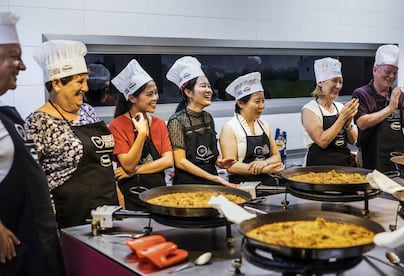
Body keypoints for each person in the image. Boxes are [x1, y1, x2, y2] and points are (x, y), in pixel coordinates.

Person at [25, 40, 118, 228]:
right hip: (70, 218)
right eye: (80, 81)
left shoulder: (88, 111)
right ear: (57, 83)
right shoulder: (38, 122)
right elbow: (30, 180)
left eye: (86, 80)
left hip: (108, 209)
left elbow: (104, 162)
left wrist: (119, 197)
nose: (86, 87)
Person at [0, 11, 65, 275]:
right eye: (15, 56)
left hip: (41, 244)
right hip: (13, 254)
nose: (23, 66)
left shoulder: (8, 115)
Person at [109, 59, 173, 210]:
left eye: (156, 93)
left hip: (159, 196)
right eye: (149, 94)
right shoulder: (117, 125)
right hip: (131, 199)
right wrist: (142, 133)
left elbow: (168, 161)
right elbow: (128, 164)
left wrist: (135, 171)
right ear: (132, 98)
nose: (155, 98)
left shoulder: (159, 124)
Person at [166, 56, 237, 187]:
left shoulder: (207, 118)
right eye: (203, 86)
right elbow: (180, 161)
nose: (209, 90)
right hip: (188, 187)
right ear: (188, 92)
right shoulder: (177, 121)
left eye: (209, 86)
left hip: (212, 183)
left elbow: (211, 153)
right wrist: (214, 178)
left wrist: (219, 161)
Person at [352, 45, 404, 172]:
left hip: (398, 157)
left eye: (394, 73)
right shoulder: (361, 94)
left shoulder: (398, 94)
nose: (391, 76)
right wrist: (390, 108)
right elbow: (362, 123)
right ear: (375, 70)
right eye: (387, 72)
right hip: (372, 157)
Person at [219, 72, 284, 185]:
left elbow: (277, 157)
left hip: (267, 184)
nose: (262, 106)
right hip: (242, 185)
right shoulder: (229, 128)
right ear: (240, 103)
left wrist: (264, 162)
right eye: (257, 101)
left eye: (263, 101)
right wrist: (264, 169)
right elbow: (231, 166)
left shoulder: (264, 126)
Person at [302, 57, 359, 166]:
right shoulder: (309, 110)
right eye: (334, 81)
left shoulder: (340, 107)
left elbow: (353, 140)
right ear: (320, 83)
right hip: (318, 170)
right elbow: (322, 141)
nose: (338, 86)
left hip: (344, 166)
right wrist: (342, 119)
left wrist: (348, 125)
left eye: (340, 82)